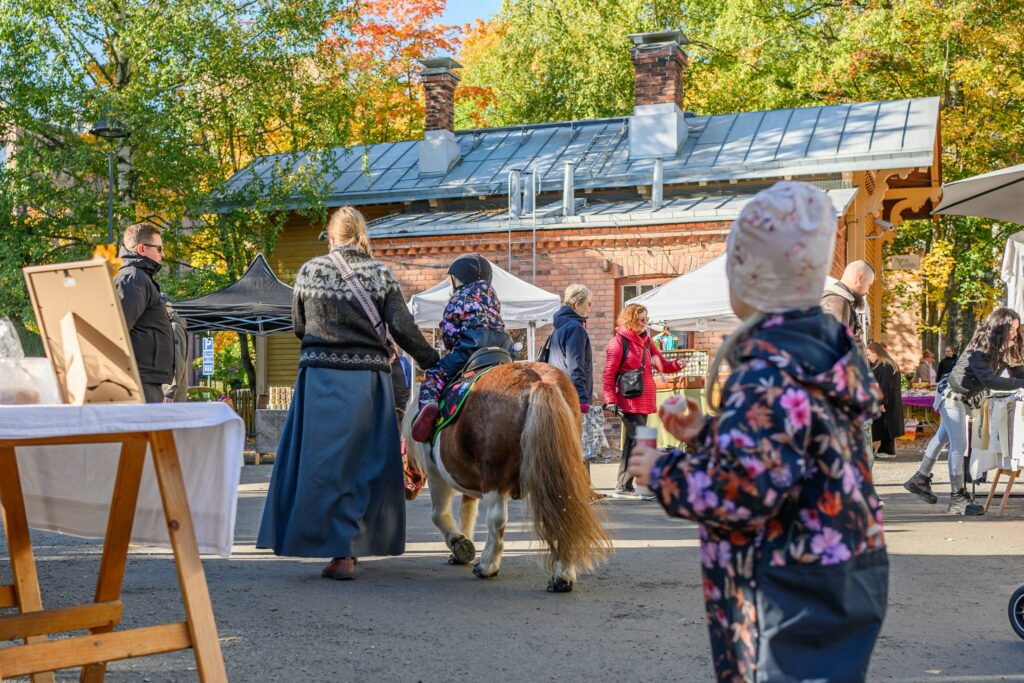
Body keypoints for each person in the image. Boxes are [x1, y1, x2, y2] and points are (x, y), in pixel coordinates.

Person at [628, 182, 887, 683]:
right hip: (842, 567)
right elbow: (790, 453)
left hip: (785, 580)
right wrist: (705, 432)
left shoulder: (766, 368)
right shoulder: (824, 350)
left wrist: (663, 470)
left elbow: (745, 489)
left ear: (748, 275)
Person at [257, 206, 439, 580]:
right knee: (363, 463)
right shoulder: (380, 273)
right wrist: (433, 360)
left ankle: (334, 548)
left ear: (332, 236)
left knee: (321, 464)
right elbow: (403, 327)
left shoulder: (310, 271)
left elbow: (298, 325)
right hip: (367, 382)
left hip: (319, 378)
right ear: (361, 234)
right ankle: (350, 550)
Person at [903, 307, 1024, 514]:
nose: (1015, 333)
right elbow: (988, 379)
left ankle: (920, 478)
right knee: (959, 445)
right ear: (999, 327)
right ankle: (958, 498)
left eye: (1016, 329)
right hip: (953, 396)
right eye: (1011, 329)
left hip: (962, 396)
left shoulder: (1004, 346)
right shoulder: (981, 346)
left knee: (942, 438)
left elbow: (1018, 371)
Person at [410, 254, 513, 442]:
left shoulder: (460, 297)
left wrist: (450, 343)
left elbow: (449, 329)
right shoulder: (493, 297)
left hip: (470, 349)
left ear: (458, 279)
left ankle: (429, 408)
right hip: (502, 350)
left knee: (434, 374)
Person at [602, 303, 682, 500]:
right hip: (627, 402)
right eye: (641, 319)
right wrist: (610, 399)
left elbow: (660, 363)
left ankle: (623, 486)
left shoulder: (646, 340)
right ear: (630, 319)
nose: (645, 323)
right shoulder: (618, 342)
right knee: (644, 442)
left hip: (643, 399)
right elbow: (608, 373)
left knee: (632, 444)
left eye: (647, 319)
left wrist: (676, 364)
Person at [114, 222, 173, 403]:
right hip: (140, 378)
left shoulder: (139, 277)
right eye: (159, 248)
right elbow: (119, 329)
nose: (162, 254)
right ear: (141, 249)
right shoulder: (133, 278)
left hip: (146, 377)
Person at [548, 284, 594, 416]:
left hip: (559, 392)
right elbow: (575, 365)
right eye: (589, 304)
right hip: (571, 396)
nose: (590, 309)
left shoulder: (558, 327)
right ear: (578, 304)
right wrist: (582, 398)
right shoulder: (575, 328)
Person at [821, 259, 874, 342]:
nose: (868, 291)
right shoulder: (838, 301)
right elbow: (836, 344)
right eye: (869, 285)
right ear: (859, 278)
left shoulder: (839, 300)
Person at [867, 341, 904, 458]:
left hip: (887, 399)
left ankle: (887, 449)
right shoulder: (885, 365)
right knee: (885, 424)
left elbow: (884, 385)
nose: (868, 357)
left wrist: (881, 402)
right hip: (889, 398)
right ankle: (887, 448)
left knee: (886, 424)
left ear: (875, 353)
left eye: (869, 355)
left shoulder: (884, 366)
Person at [160, 295, 189, 403]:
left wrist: (170, 392)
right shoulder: (170, 325)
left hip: (170, 397)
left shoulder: (174, 327)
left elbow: (178, 362)